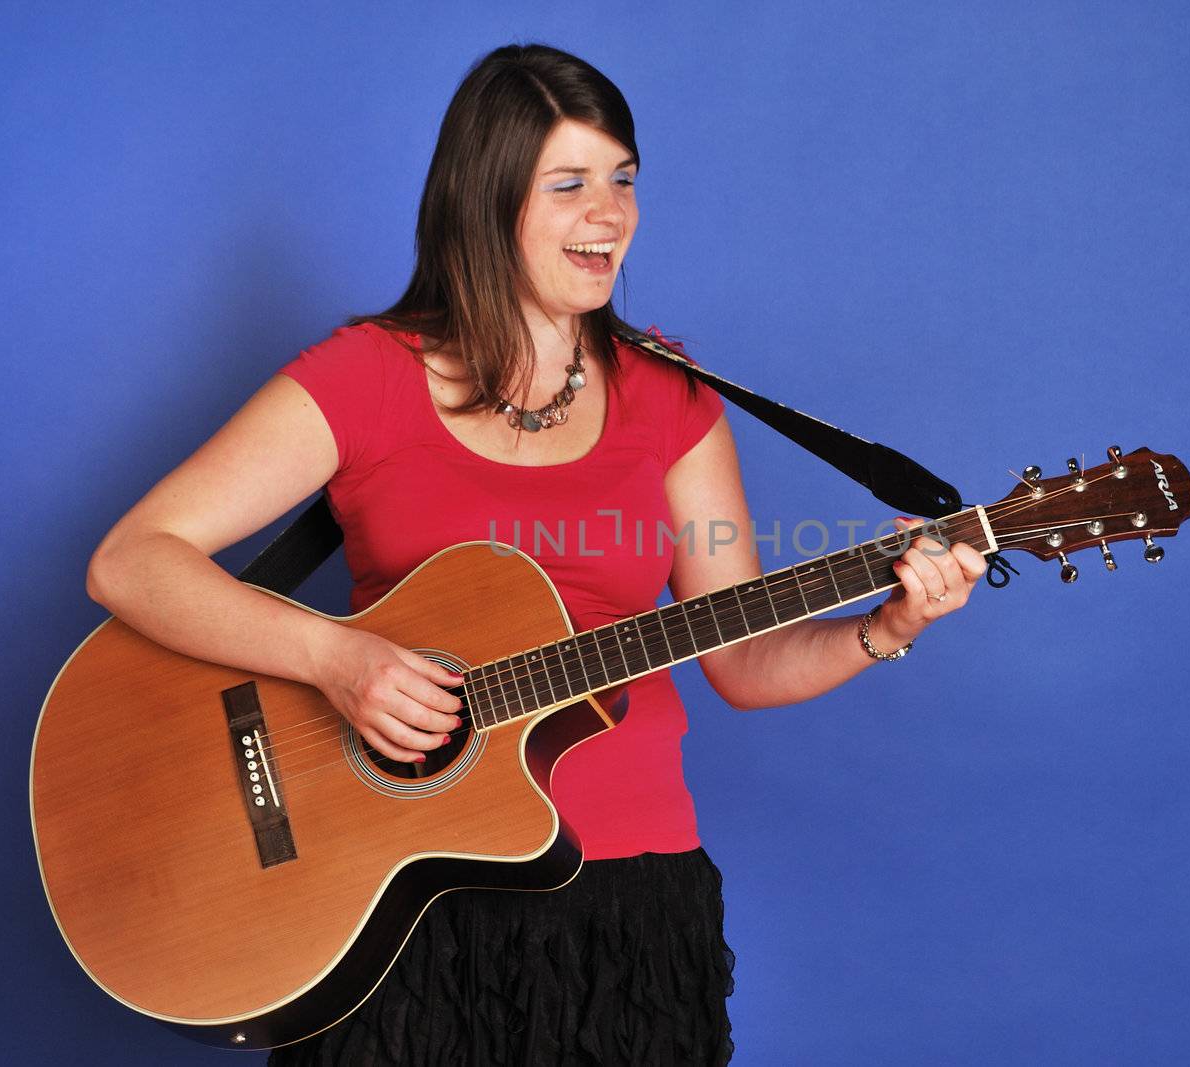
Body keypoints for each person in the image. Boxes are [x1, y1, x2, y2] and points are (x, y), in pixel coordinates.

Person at [84, 43, 988, 1066]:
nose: (610, 214)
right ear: (486, 202)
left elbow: (739, 660)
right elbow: (133, 559)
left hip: (630, 901)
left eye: (623, 180)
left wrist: (884, 626)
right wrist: (337, 660)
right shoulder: (367, 377)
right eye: (570, 185)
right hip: (391, 902)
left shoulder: (673, 398)